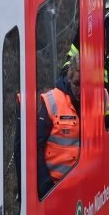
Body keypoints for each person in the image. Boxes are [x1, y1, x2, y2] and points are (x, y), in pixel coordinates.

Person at [37, 55, 81, 199]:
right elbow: (36, 147)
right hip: (54, 186)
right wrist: (46, 186)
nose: (80, 90)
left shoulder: (98, 99)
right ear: (69, 78)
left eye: (84, 84)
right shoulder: (53, 101)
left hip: (80, 186)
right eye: (76, 83)